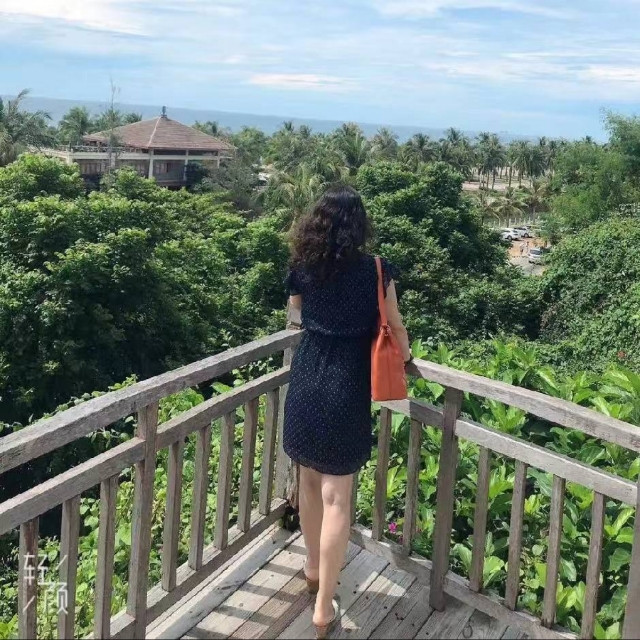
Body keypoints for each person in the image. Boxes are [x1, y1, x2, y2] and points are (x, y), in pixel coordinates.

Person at [283, 184, 411, 638]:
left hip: (307, 377)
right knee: (337, 496)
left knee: (309, 482)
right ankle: (323, 605)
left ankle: (312, 568)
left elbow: (296, 313)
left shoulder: (303, 267)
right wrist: (405, 357)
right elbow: (395, 326)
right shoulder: (376, 269)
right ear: (359, 224)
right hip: (348, 384)